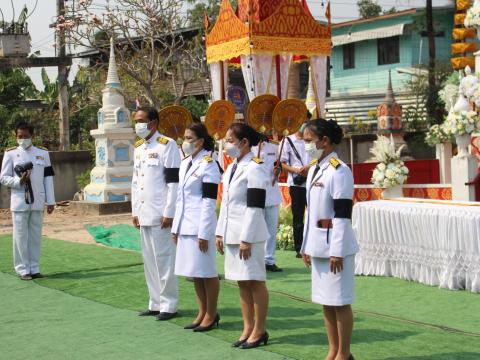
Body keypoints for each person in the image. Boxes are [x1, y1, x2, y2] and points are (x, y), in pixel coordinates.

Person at [301, 118, 358, 360]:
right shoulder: (314, 168)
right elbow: (311, 212)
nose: (306, 146)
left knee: (340, 301)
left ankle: (344, 354)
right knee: (326, 301)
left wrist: (337, 250)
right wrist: (306, 246)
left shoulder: (340, 171)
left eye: (309, 141)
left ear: (324, 141)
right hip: (317, 245)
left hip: (336, 247)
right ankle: (332, 350)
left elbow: (342, 215)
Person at [215, 123, 270, 349]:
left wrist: (246, 238)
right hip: (231, 232)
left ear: (244, 142)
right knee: (242, 283)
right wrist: (219, 232)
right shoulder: (230, 168)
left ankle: (260, 329)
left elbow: (255, 207)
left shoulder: (255, 168)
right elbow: (226, 204)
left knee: (255, 281)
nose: (226, 144)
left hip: (249, 235)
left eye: (230, 140)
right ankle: (247, 327)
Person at [131, 107, 181, 321]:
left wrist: (169, 212)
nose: (138, 125)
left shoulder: (167, 145)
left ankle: (168, 304)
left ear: (154, 123)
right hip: (144, 212)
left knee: (164, 259)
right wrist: (135, 211)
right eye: (136, 121)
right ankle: (154, 302)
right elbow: (135, 182)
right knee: (149, 260)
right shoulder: (139, 148)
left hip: (161, 213)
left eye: (141, 120)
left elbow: (172, 182)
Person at [171, 123, 221, 332]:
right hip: (185, 225)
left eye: (190, 138)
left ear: (200, 141)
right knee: (195, 273)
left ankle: (212, 313)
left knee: (207, 272)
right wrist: (176, 227)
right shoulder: (185, 163)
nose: (185, 142)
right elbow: (180, 198)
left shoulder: (209, 165)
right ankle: (201, 312)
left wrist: (205, 232)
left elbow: (209, 201)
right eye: (185, 137)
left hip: (201, 226)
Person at [0, 122, 55, 280]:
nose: (23, 139)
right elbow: (3, 178)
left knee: (35, 235)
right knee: (20, 236)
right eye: (20, 136)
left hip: (38, 200)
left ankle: (34, 267)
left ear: (32, 136)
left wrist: (51, 201)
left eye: (26, 136)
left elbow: (48, 178)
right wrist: (19, 182)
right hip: (19, 201)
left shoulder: (42, 154)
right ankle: (22, 269)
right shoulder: (10, 154)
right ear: (16, 136)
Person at [252, 137, 283, 272]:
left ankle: (269, 260)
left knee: (271, 229)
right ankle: (256, 259)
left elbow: (278, 165)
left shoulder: (274, 147)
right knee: (255, 229)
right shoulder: (249, 148)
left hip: (271, 193)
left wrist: (278, 171)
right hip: (255, 193)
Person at [280, 124, 310, 258]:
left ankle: (313, 245)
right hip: (296, 183)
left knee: (315, 215)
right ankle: (299, 247)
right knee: (298, 216)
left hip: (313, 181)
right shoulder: (287, 141)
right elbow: (282, 163)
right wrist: (297, 170)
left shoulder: (314, 139)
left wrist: (308, 168)